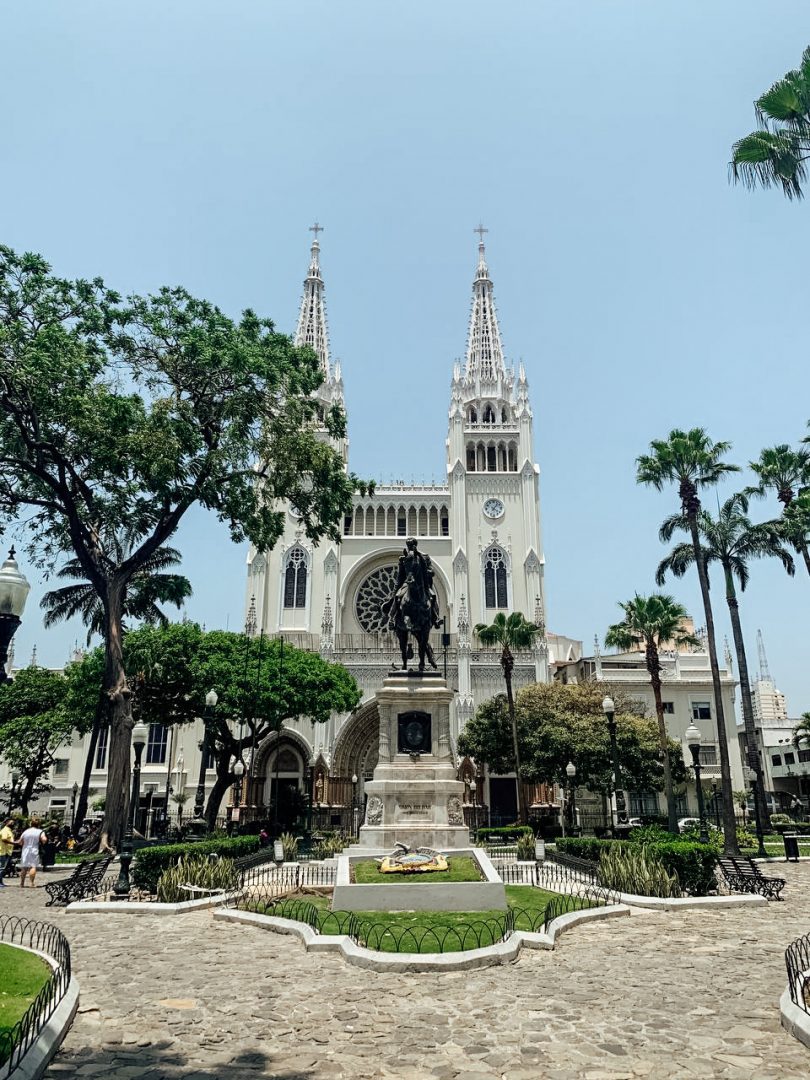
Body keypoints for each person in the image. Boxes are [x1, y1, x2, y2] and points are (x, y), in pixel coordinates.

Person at [18, 817, 47, 888]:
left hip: (25, 850)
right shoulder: (40, 831)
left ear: (31, 824)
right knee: (33, 866)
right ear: (38, 824)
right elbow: (44, 839)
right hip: (34, 849)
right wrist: (43, 841)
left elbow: (20, 842)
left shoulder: (26, 831)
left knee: (24, 867)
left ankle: (22, 883)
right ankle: (31, 883)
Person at [0, 818, 15, 887]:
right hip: (3, 851)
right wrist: (14, 843)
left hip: (7, 851)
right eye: (11, 823)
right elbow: (4, 839)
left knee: (4, 868)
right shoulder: (5, 830)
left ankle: (1, 882)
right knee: (2, 868)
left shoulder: (9, 831)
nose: (13, 824)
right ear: (6, 823)